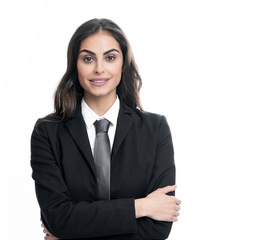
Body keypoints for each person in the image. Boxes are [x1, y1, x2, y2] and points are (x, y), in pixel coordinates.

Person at [30, 18, 181, 240]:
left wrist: (73, 233)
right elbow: (59, 218)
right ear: (75, 64)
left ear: (123, 63)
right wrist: (140, 207)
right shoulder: (48, 132)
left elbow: (157, 230)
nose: (99, 68)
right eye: (88, 58)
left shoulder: (155, 129)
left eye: (110, 57)